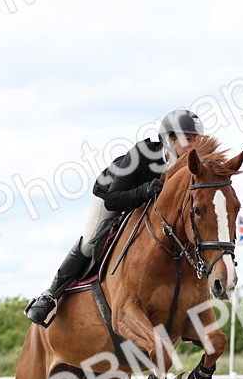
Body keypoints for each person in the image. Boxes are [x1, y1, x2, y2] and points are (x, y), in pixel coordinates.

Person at [24, 109, 206, 326]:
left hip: (148, 203)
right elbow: (113, 200)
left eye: (197, 139)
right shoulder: (142, 155)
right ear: (169, 140)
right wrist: (145, 190)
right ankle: (50, 295)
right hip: (111, 194)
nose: (194, 146)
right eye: (188, 139)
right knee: (90, 244)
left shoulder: (191, 166)